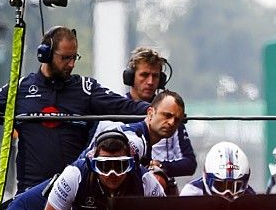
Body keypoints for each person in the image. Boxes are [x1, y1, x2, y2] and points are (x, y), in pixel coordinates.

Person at [0, 26, 149, 192]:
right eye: (65, 58)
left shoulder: (86, 88)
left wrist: (158, 111)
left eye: (75, 57)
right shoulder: (19, 89)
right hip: (30, 193)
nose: (72, 64)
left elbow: (127, 108)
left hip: (73, 194)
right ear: (45, 55)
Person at [123, 47, 196, 193]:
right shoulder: (116, 111)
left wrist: (160, 166)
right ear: (131, 77)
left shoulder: (172, 114)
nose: (150, 82)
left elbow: (190, 163)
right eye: (144, 75)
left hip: (163, 187)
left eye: (155, 76)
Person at [88, 89, 186, 169]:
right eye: (167, 115)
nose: (172, 122)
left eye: (177, 119)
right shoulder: (137, 141)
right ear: (150, 113)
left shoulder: (142, 139)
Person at [181, 141, 255, 198]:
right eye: (220, 185)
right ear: (207, 178)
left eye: (236, 186)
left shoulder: (250, 198)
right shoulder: (192, 193)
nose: (227, 194)